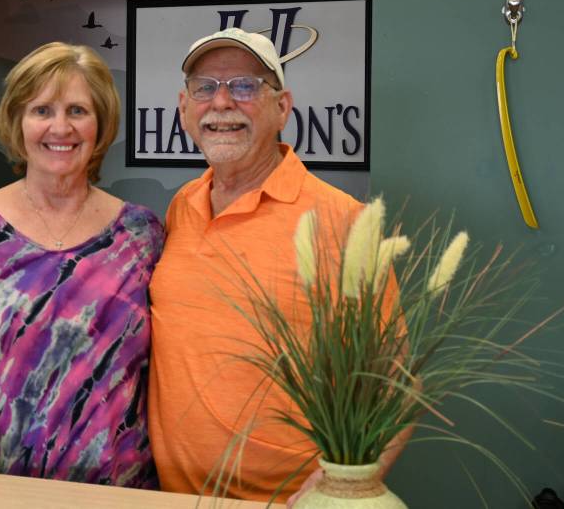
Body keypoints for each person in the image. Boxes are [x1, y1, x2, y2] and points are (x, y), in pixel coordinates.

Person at [148, 28, 405, 502]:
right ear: (184, 107)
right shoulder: (182, 207)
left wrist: (335, 489)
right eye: (205, 87)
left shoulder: (342, 220)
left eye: (244, 86)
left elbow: (397, 383)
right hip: (170, 497)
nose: (221, 102)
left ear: (282, 107)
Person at [0, 42, 164, 487]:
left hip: (116, 497)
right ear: (17, 123)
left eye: (77, 110)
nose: (60, 127)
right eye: (42, 110)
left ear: (101, 124)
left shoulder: (142, 237)